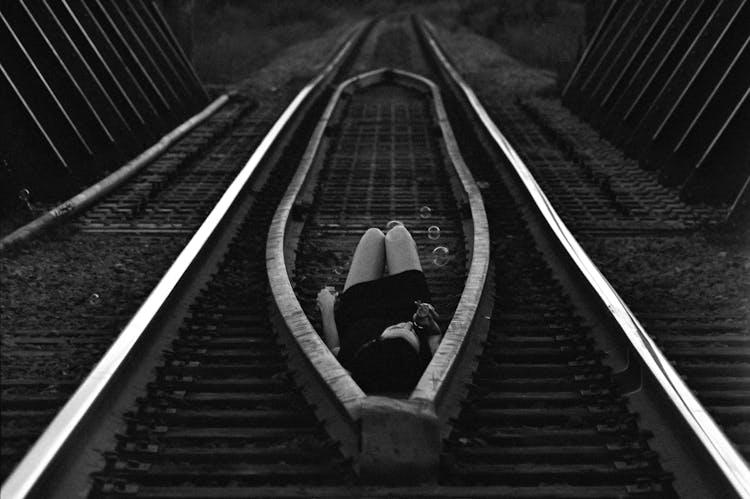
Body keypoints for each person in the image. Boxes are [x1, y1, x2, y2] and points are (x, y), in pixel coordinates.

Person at [316, 224, 443, 393]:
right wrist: (426, 323)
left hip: (360, 309)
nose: (407, 325)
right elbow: (435, 335)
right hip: (408, 303)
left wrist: (327, 307)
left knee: (373, 235)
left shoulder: (356, 359)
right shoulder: (422, 364)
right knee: (398, 234)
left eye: (398, 328)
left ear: (377, 341)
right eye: (411, 332)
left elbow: (333, 350)